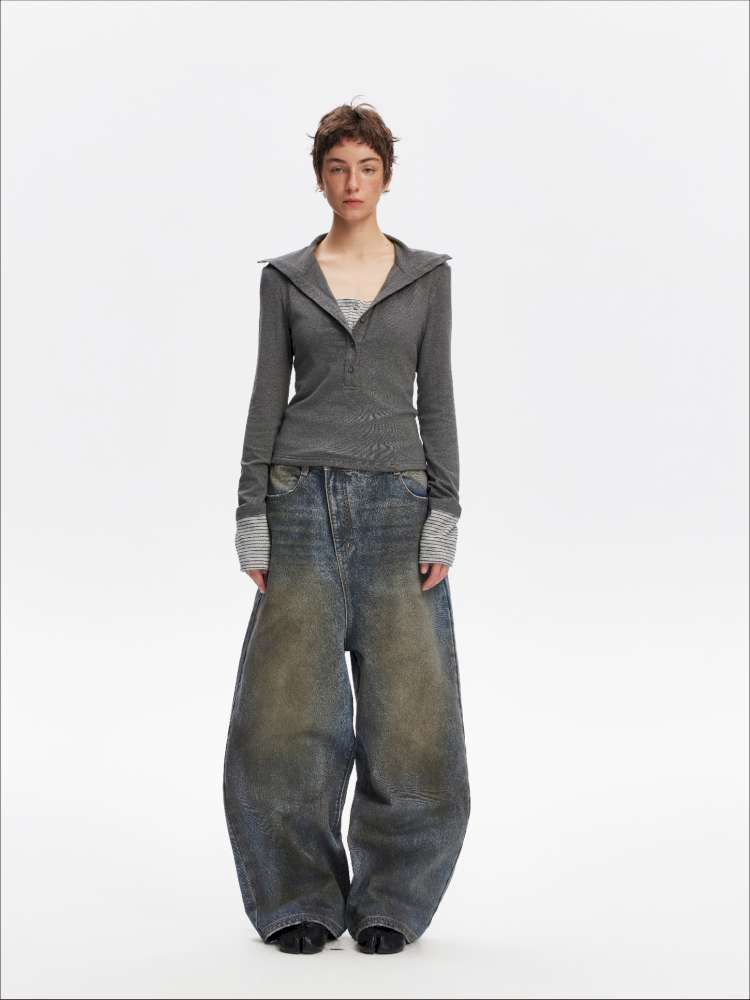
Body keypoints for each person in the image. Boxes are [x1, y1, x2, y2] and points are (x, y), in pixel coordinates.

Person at [223, 101, 470, 955]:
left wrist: (445, 510)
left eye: (366, 168)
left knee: (412, 712)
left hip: (399, 505)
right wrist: (250, 510)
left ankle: (392, 897)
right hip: (297, 500)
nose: (351, 183)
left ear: (387, 177)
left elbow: (437, 397)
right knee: (285, 711)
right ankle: (296, 897)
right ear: (320, 178)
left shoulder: (427, 277)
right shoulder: (286, 278)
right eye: (337, 168)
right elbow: (266, 396)